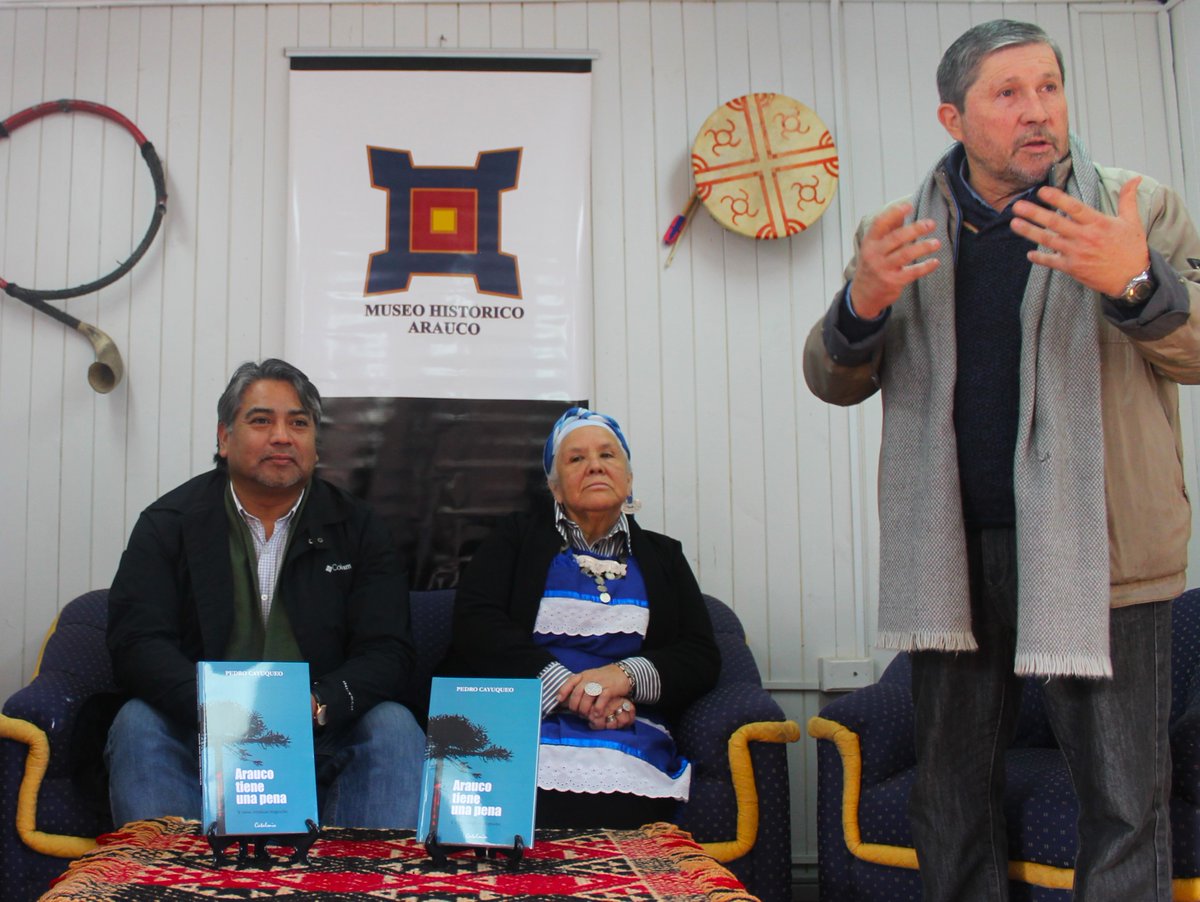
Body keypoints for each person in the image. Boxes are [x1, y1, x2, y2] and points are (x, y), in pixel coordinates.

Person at [803, 19, 1200, 902]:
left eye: (1048, 88)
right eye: (1008, 94)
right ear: (954, 117)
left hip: (1105, 552)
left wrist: (1134, 281)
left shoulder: (1135, 206)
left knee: (1124, 798)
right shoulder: (903, 231)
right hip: (951, 553)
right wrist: (860, 304)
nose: (1038, 113)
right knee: (949, 793)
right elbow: (832, 378)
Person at [105, 358, 425, 829]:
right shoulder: (169, 523)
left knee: (393, 726)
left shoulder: (358, 528)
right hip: (202, 723)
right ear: (223, 437)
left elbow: (389, 649)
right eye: (261, 421)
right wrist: (214, 707)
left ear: (316, 444)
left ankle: (360, 884)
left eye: (298, 423)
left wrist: (320, 703)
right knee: (138, 723)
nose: (282, 436)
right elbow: (137, 643)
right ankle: (171, 884)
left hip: (318, 729)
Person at [442, 407, 720, 828]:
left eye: (608, 456)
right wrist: (571, 690)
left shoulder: (665, 556)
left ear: (628, 479)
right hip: (522, 719)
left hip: (623, 727)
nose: (594, 466)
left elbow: (700, 654)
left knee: (620, 815)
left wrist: (623, 678)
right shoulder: (515, 538)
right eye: (576, 459)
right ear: (555, 488)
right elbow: (476, 624)